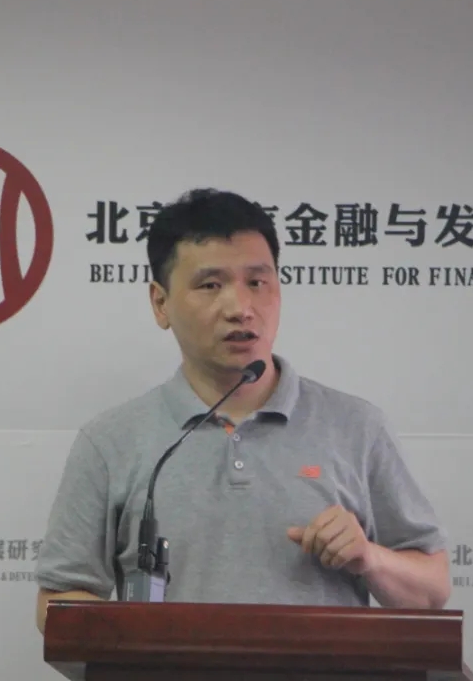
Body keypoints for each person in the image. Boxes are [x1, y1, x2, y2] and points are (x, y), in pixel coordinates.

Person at [34, 188, 450, 633]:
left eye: (257, 282)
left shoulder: (357, 427)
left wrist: (371, 558)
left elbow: (432, 589)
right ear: (160, 303)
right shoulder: (110, 440)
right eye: (211, 285)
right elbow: (58, 603)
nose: (241, 308)